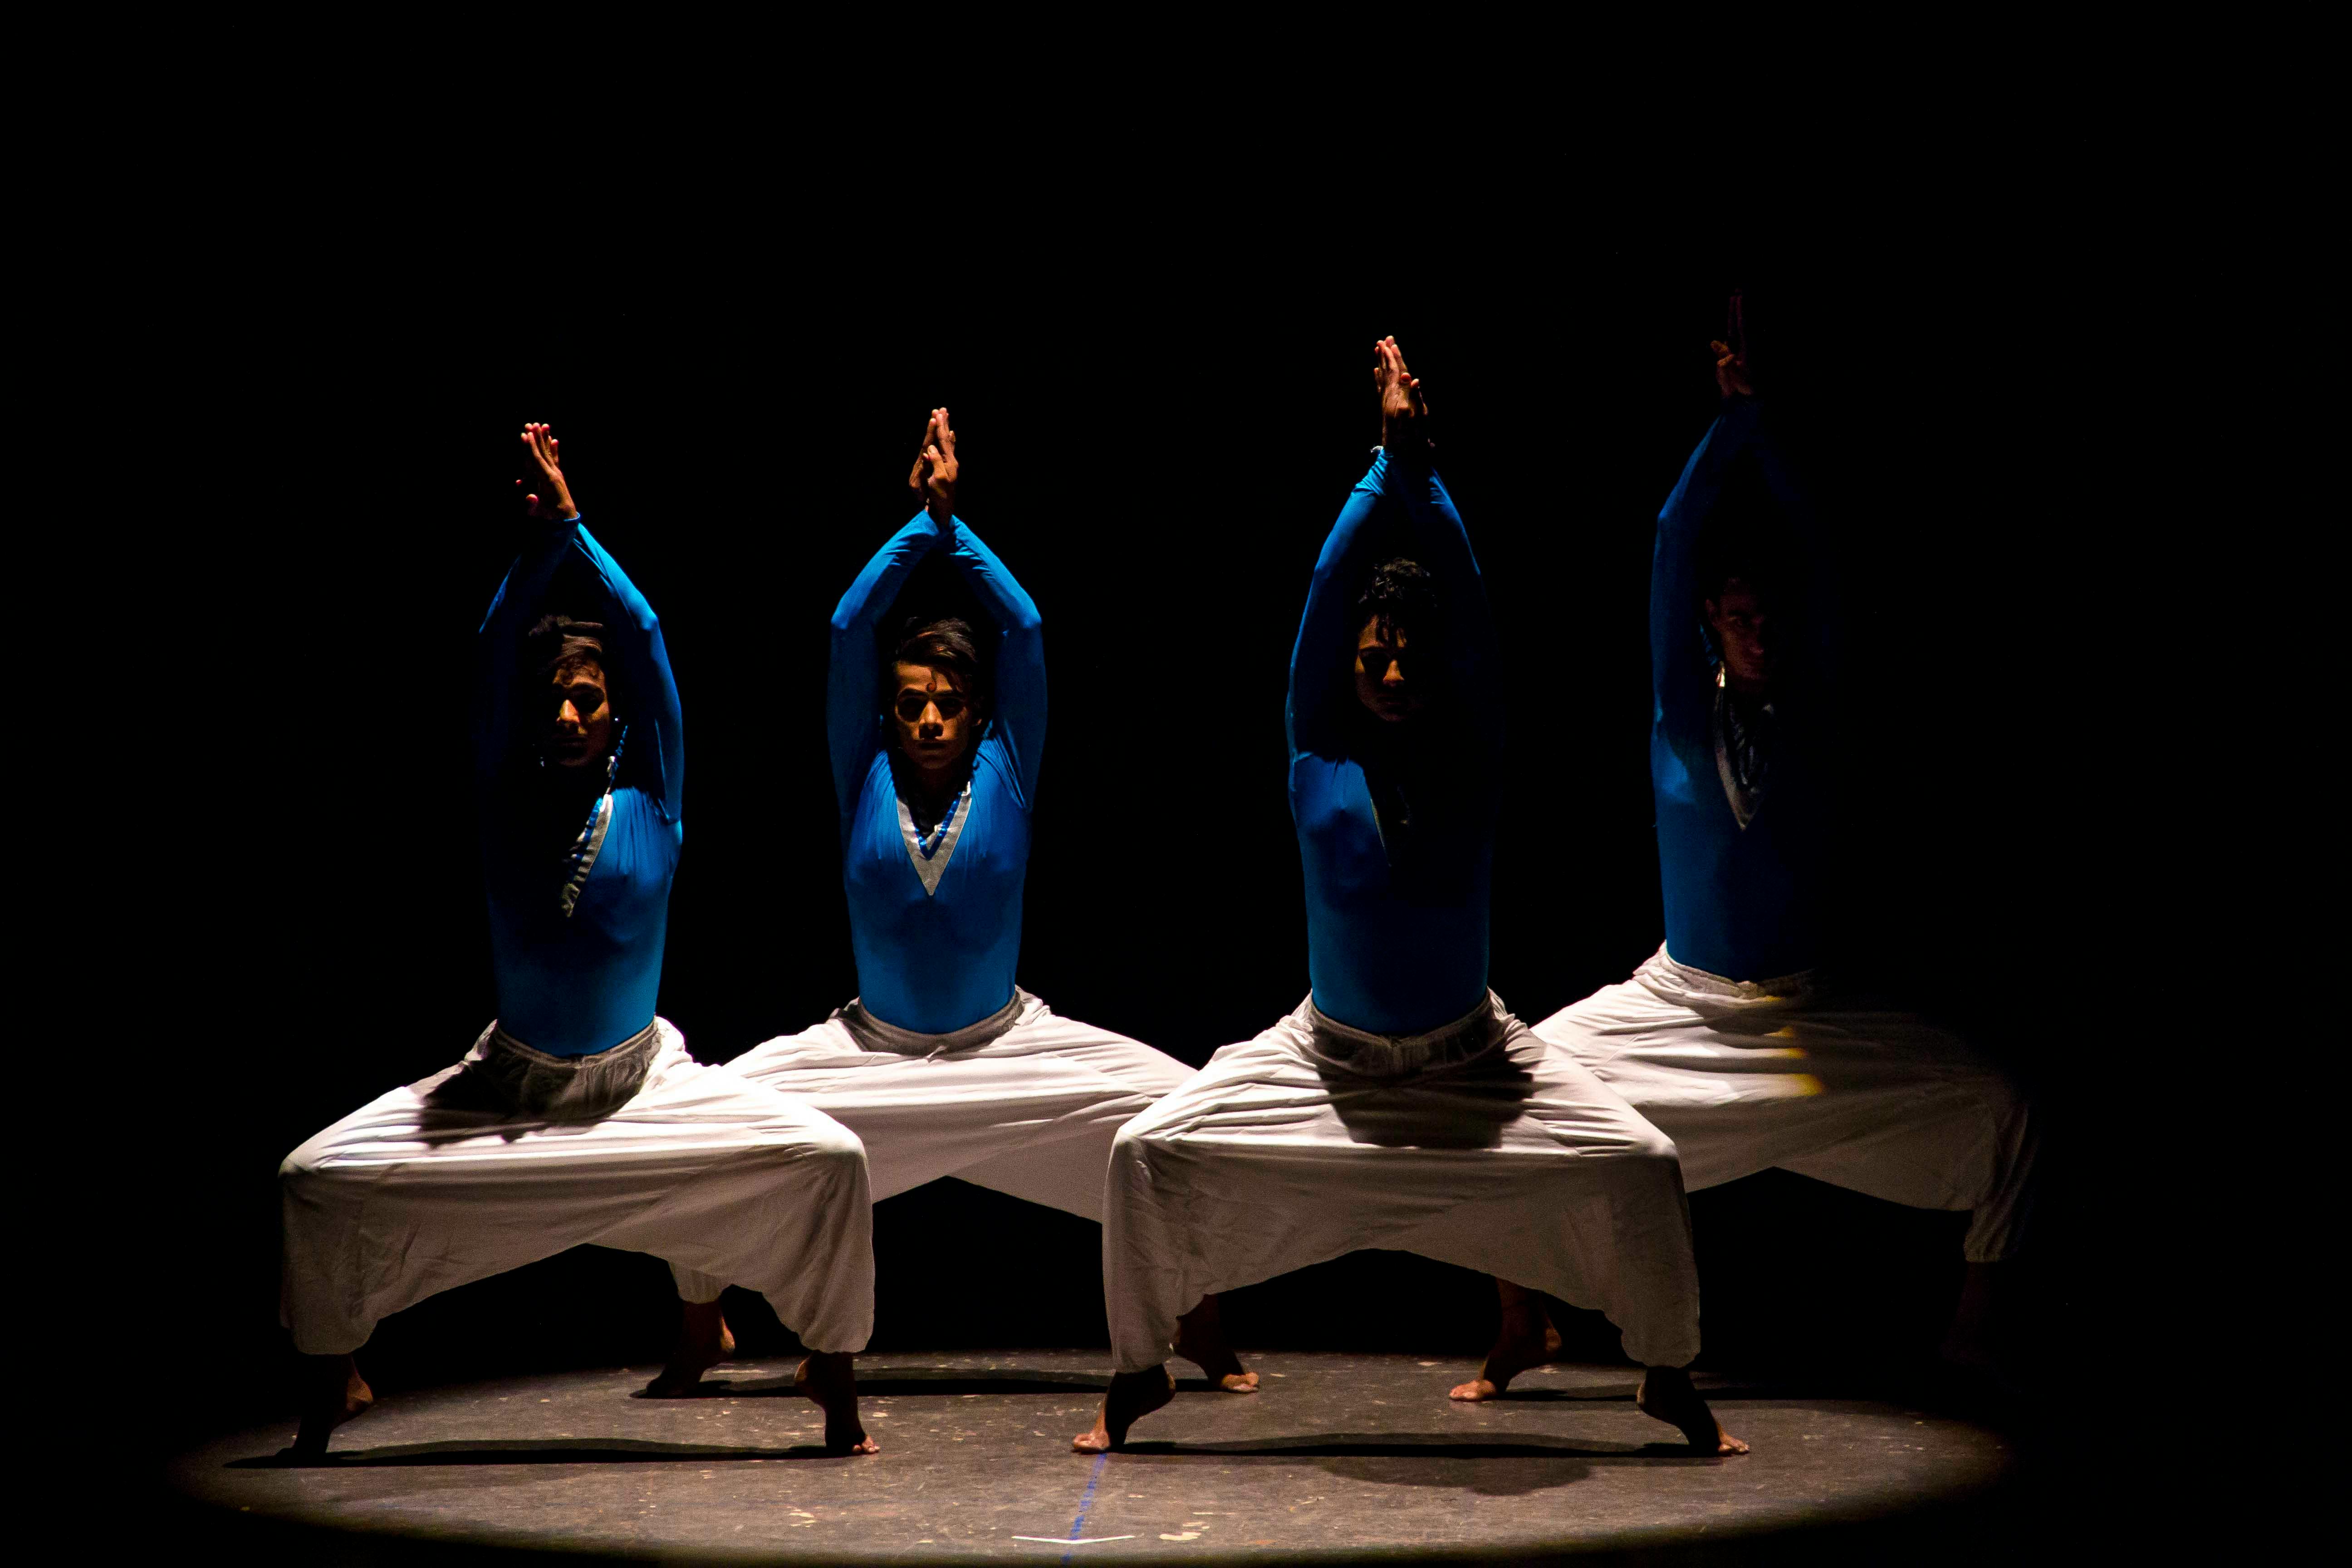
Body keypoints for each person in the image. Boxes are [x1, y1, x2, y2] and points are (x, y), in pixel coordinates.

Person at [1078, 342, 1744, 1455]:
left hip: (1472, 1056)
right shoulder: (1313, 754)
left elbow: (1473, 615)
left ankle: (1668, 1374)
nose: (1391, 675)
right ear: (1348, 667)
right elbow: (1326, 599)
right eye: (1374, 658)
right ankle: (1140, 1371)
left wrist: (1422, 476)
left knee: (1643, 1162)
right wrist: (1379, 472)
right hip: (1320, 1056)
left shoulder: (1473, 748)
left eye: (1410, 660)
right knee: (1147, 1151)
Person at [278, 425, 878, 1459]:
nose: (564, 711)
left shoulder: (657, 798)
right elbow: (489, 658)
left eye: (585, 701)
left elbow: (646, 641)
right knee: (315, 1180)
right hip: (506, 1088)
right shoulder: (503, 796)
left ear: (615, 721)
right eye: (554, 698)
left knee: (827, 1159)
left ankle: (832, 1374)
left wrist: (575, 530)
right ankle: (335, 1379)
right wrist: (535, 554)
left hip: (645, 1082)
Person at [653, 409, 1251, 1399]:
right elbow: (849, 629)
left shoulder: (1008, 771)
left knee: (1176, 1119)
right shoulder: (864, 775)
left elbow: (1026, 627)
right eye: (910, 702)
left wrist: (954, 527)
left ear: (980, 713)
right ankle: (699, 1322)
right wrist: (913, 530)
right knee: (707, 1123)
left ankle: (1201, 1318)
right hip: (870, 1054)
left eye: (948, 703)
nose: (928, 717)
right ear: (887, 711)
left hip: (1009, 1049)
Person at [1507, 315, 2038, 1387]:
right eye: (1739, 615)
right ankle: (1526, 1321)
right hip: (1680, 1005)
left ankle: (1975, 1321)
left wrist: (1774, 438)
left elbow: (1824, 551)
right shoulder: (1678, 713)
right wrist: (1729, 427)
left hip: (1805, 1012)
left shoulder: (1820, 706)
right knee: (1509, 1096)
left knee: (2002, 1107)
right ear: (1712, 620)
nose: (1761, 631)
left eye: (1771, 615)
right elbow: (1669, 538)